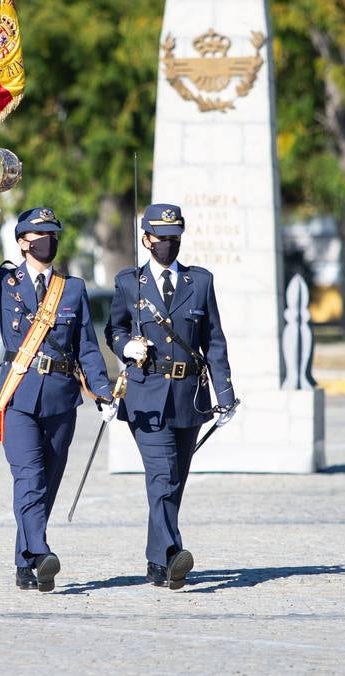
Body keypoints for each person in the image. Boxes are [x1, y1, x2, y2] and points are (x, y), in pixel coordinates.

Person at [0, 203, 117, 593]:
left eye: (53, 236)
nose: (48, 242)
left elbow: (88, 347)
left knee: (46, 483)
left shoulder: (73, 288)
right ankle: (43, 553)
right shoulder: (5, 283)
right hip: (19, 397)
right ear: (23, 242)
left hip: (63, 401)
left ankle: (26, 564)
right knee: (28, 479)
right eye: (40, 235)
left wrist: (102, 392)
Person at [104, 203, 237, 590]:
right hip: (146, 394)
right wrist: (127, 347)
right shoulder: (130, 283)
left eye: (174, 238)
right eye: (162, 238)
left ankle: (155, 561)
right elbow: (115, 329)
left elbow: (214, 340)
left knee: (175, 479)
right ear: (146, 239)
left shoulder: (200, 281)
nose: (168, 244)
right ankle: (172, 554)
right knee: (161, 476)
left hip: (189, 396)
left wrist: (225, 392)